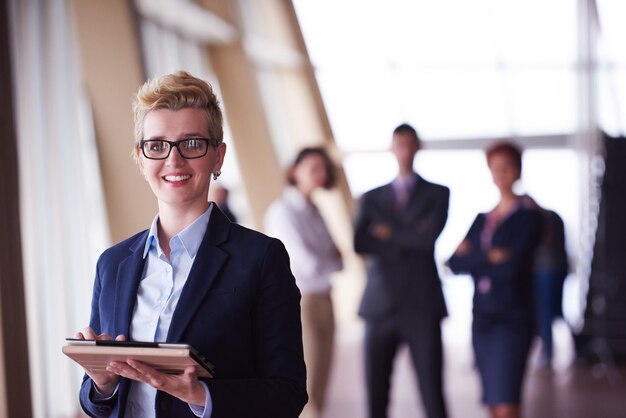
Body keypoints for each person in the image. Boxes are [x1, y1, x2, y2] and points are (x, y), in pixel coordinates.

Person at [73, 71, 307, 418]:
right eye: (157, 145)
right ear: (140, 157)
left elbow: (288, 393)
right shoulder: (113, 263)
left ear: (218, 156)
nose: (174, 160)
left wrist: (201, 395)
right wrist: (102, 385)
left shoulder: (260, 259)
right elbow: (99, 404)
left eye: (192, 143)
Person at [354, 123, 449, 418]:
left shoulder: (438, 193)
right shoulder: (371, 197)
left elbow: (426, 241)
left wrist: (387, 233)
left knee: (433, 395)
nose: (405, 151)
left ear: (418, 148)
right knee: (376, 397)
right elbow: (360, 242)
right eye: (400, 145)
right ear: (392, 148)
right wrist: (409, 233)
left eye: (410, 145)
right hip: (379, 306)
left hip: (422, 305)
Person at [446, 141, 543, 418]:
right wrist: (491, 256)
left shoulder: (529, 218)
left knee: (507, 401)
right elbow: (454, 263)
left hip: (513, 318)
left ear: (518, 170)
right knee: (492, 400)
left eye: (507, 167)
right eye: (495, 168)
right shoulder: (481, 220)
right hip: (483, 319)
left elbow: (512, 267)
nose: (501, 173)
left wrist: (476, 256)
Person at [264, 147, 343, 418]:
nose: (318, 174)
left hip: (325, 298)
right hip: (302, 303)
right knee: (305, 384)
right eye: (312, 168)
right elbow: (305, 262)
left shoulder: (315, 209)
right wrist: (327, 257)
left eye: (322, 168)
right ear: (295, 171)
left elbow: (340, 258)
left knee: (322, 382)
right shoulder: (282, 212)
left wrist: (326, 257)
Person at [532, 208, 569, 369]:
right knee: (556, 312)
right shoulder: (554, 216)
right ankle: (551, 351)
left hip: (547, 269)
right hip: (556, 268)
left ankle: (547, 353)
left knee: (546, 312)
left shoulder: (544, 218)